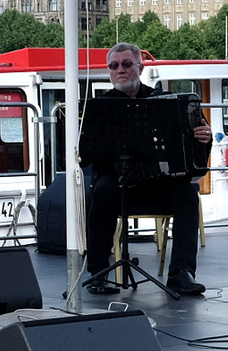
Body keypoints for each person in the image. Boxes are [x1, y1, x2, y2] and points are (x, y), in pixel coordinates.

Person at [83, 43, 212, 296]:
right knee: (102, 191)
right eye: (114, 66)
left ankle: (181, 273)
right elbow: (86, 156)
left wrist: (204, 136)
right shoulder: (100, 107)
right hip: (118, 183)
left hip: (158, 185)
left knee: (187, 194)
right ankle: (98, 273)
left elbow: (197, 145)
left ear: (140, 67)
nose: (120, 70)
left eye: (127, 64)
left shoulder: (164, 101)